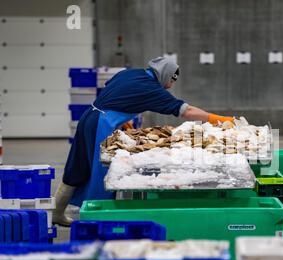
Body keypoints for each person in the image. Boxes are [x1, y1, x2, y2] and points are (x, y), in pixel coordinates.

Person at [52, 57, 235, 226]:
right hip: (101, 124)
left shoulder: (132, 73)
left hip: (89, 116)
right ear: (165, 75)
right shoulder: (151, 89)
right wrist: (216, 118)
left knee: (78, 165)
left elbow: (113, 90)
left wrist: (122, 119)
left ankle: (56, 213)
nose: (170, 86)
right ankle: (97, 221)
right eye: (171, 81)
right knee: (102, 173)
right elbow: (186, 111)